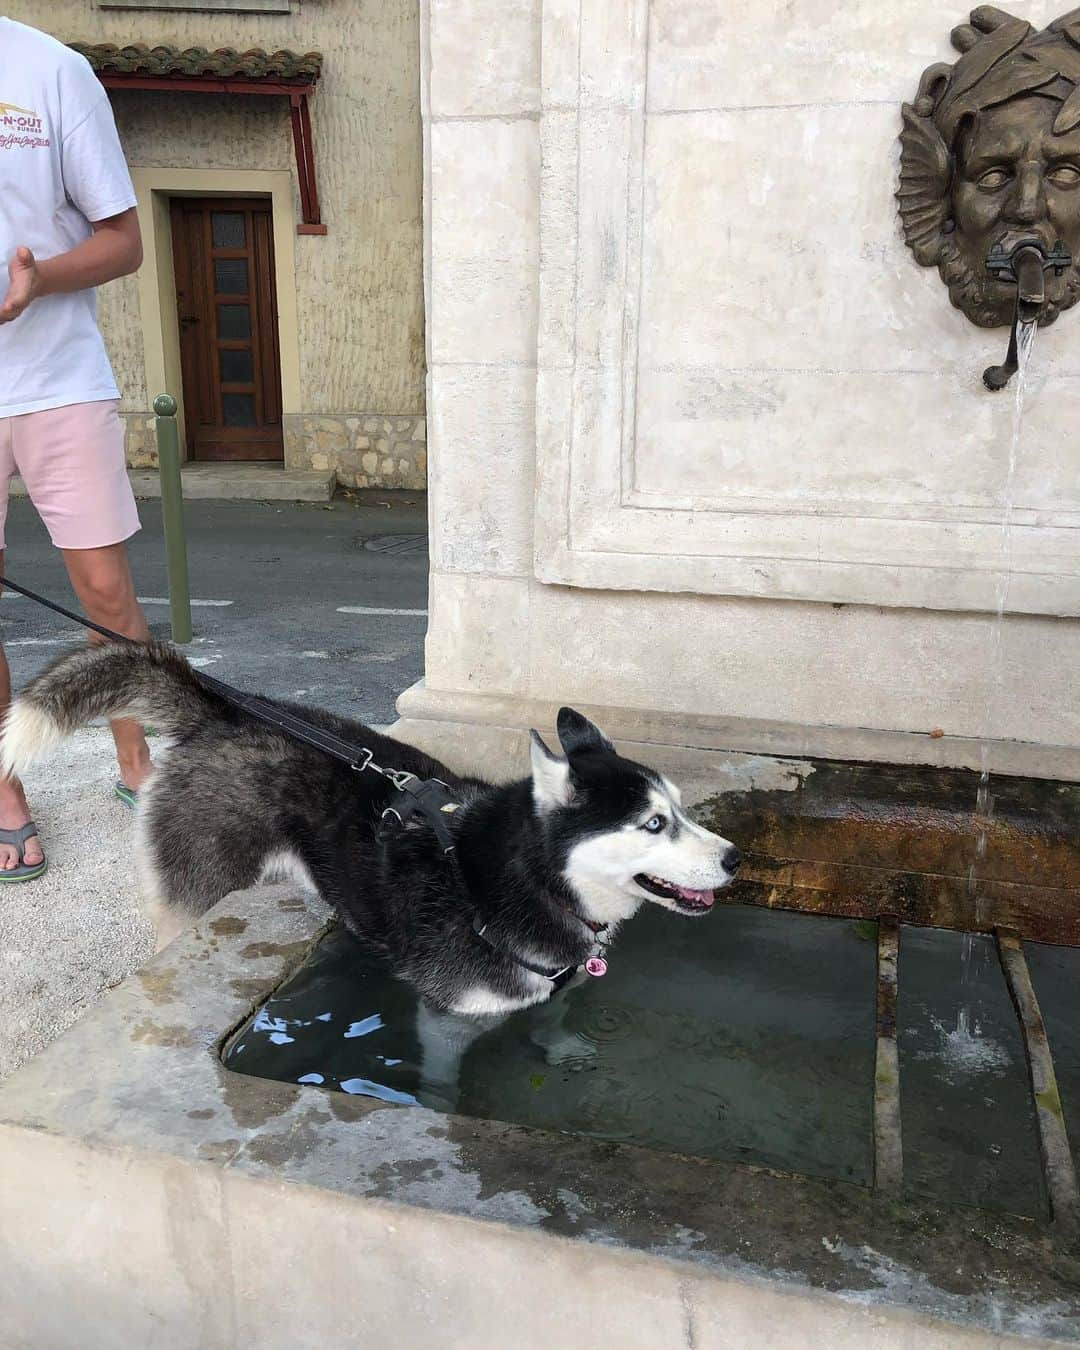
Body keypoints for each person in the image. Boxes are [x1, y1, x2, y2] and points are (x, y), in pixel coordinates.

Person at [0, 17, 152, 880]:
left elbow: (123, 239)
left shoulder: (51, 70)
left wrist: (41, 278)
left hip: (59, 377)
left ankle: (137, 764)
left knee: (105, 594)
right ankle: (4, 785)